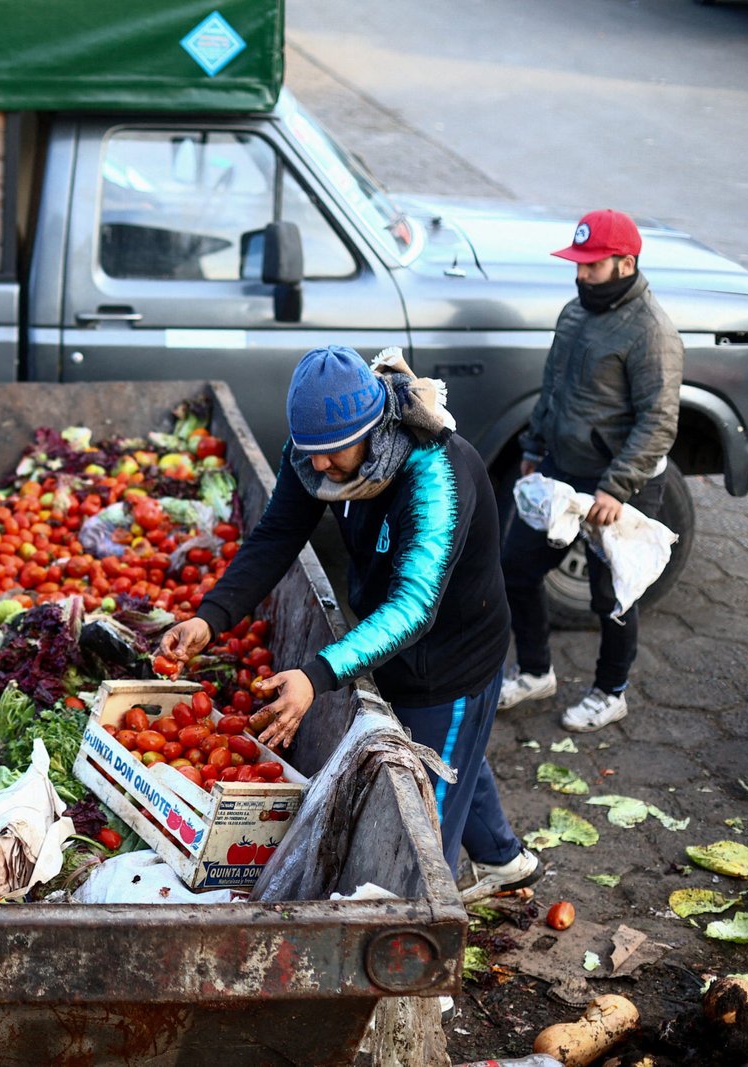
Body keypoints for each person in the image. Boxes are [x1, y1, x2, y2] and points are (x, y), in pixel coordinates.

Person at [159, 344, 539, 901]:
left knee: (420, 826)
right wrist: (210, 618)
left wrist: (315, 675)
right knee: (456, 755)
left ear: (373, 428)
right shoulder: (318, 447)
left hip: (448, 659)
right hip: (385, 639)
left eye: (331, 454)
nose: (317, 466)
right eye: (309, 453)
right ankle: (505, 861)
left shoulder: (436, 477)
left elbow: (413, 607)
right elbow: (277, 534)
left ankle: (422, 942)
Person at [498, 209, 683, 732]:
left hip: (621, 485)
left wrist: (616, 489)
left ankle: (611, 691)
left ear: (625, 264)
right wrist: (534, 446)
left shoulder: (652, 331)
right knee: (517, 568)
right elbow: (553, 387)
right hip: (560, 469)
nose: (581, 275)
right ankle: (536, 671)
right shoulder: (575, 313)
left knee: (613, 595)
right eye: (577, 264)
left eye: (593, 266)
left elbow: (659, 421)